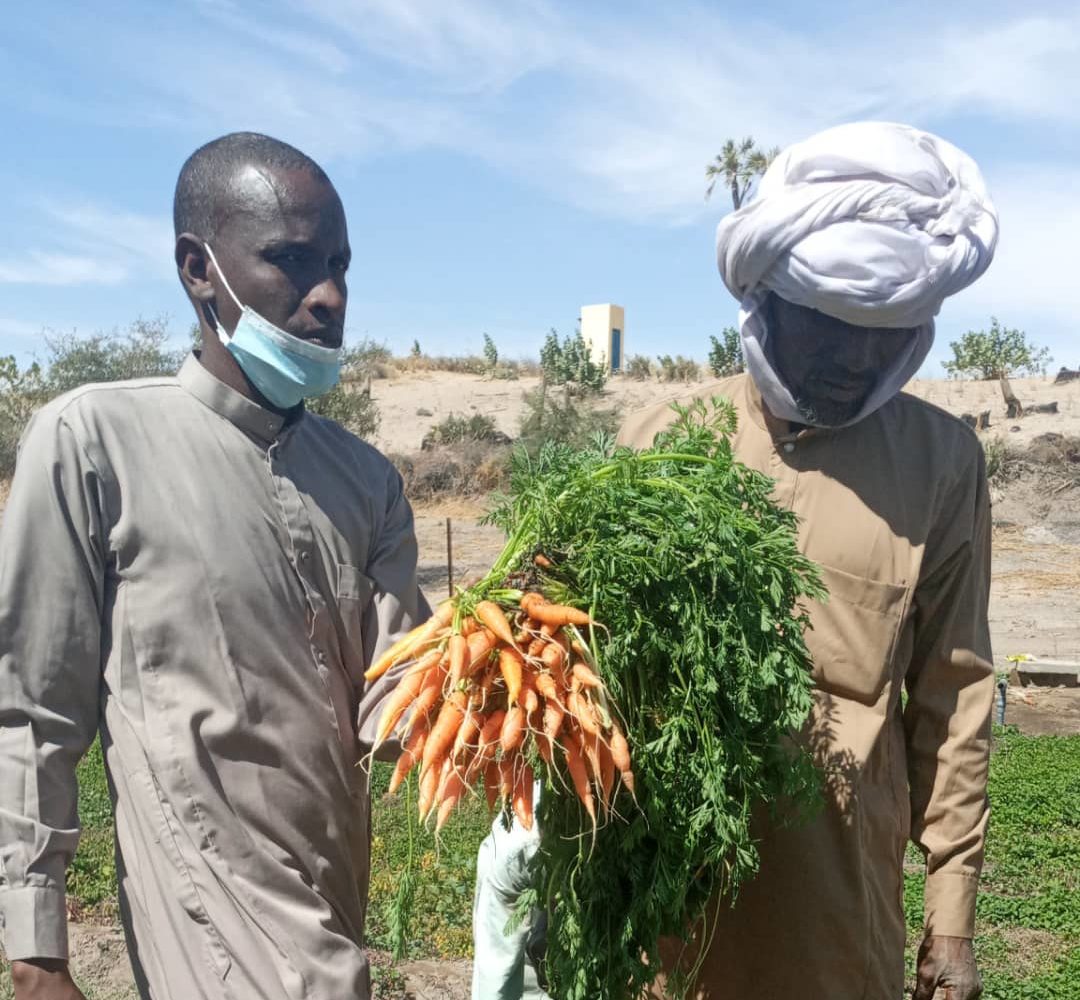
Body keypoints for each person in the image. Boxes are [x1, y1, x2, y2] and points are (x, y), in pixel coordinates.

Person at [0, 132, 427, 1000]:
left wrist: (511, 679)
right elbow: (30, 712)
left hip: (333, 920)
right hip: (205, 933)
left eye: (341, 264)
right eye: (294, 261)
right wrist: (38, 955)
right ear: (200, 269)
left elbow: (397, 699)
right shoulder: (93, 443)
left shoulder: (366, 481)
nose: (331, 296)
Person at [622, 121, 998, 1000]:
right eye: (830, 325)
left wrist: (952, 917)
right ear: (768, 300)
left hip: (833, 912)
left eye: (885, 332)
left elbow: (955, 693)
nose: (856, 358)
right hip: (656, 896)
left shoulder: (941, 464)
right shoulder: (658, 441)